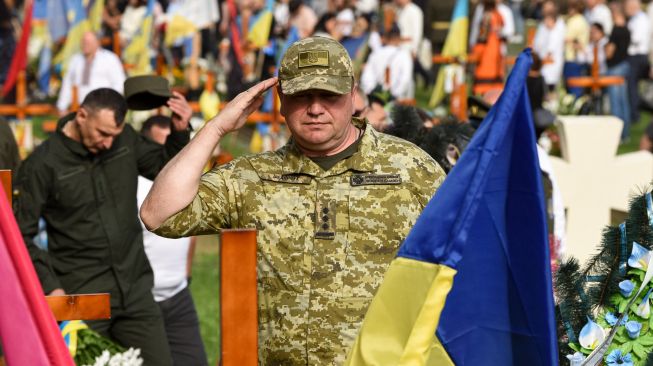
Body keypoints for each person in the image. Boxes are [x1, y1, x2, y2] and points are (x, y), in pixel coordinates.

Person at [140, 36, 446, 364]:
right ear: (281, 99)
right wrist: (217, 128)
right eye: (302, 96)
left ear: (352, 93)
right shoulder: (252, 177)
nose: (315, 109)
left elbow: (463, 262)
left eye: (329, 95)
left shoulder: (409, 167)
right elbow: (159, 214)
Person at [13, 86, 192, 366]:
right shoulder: (41, 165)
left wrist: (180, 131)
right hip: (82, 296)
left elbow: (165, 167)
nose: (109, 143)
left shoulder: (125, 140)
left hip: (135, 291)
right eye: (103, 133)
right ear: (81, 115)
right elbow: (20, 235)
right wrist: (51, 286)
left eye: (114, 135)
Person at [137, 115, 207, 366]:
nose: (169, 155)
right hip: (142, 301)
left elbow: (191, 232)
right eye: (160, 146)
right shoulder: (133, 189)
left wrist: (185, 275)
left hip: (178, 296)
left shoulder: (185, 188)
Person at [56, 32, 126, 114]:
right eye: (83, 42)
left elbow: (119, 83)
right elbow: (67, 83)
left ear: (97, 43)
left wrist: (109, 105)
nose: (85, 44)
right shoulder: (75, 60)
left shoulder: (109, 59)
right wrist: (62, 106)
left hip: (103, 107)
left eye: (88, 42)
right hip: (79, 108)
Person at [360, 24, 414, 99]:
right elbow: (405, 79)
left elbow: (366, 77)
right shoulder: (404, 55)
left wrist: (371, 92)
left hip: (375, 97)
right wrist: (394, 95)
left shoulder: (376, 53)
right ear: (399, 38)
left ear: (385, 37)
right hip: (395, 100)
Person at [605, 2, 631, 142]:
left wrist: (605, 48)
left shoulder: (616, 30)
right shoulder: (626, 29)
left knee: (616, 103)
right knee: (623, 102)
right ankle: (625, 134)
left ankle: (618, 135)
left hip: (615, 67)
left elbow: (609, 52)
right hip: (624, 65)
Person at [625, 0, 650, 125]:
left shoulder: (641, 19)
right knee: (632, 87)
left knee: (632, 87)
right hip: (634, 56)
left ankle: (635, 115)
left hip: (637, 56)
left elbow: (636, 38)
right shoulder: (634, 19)